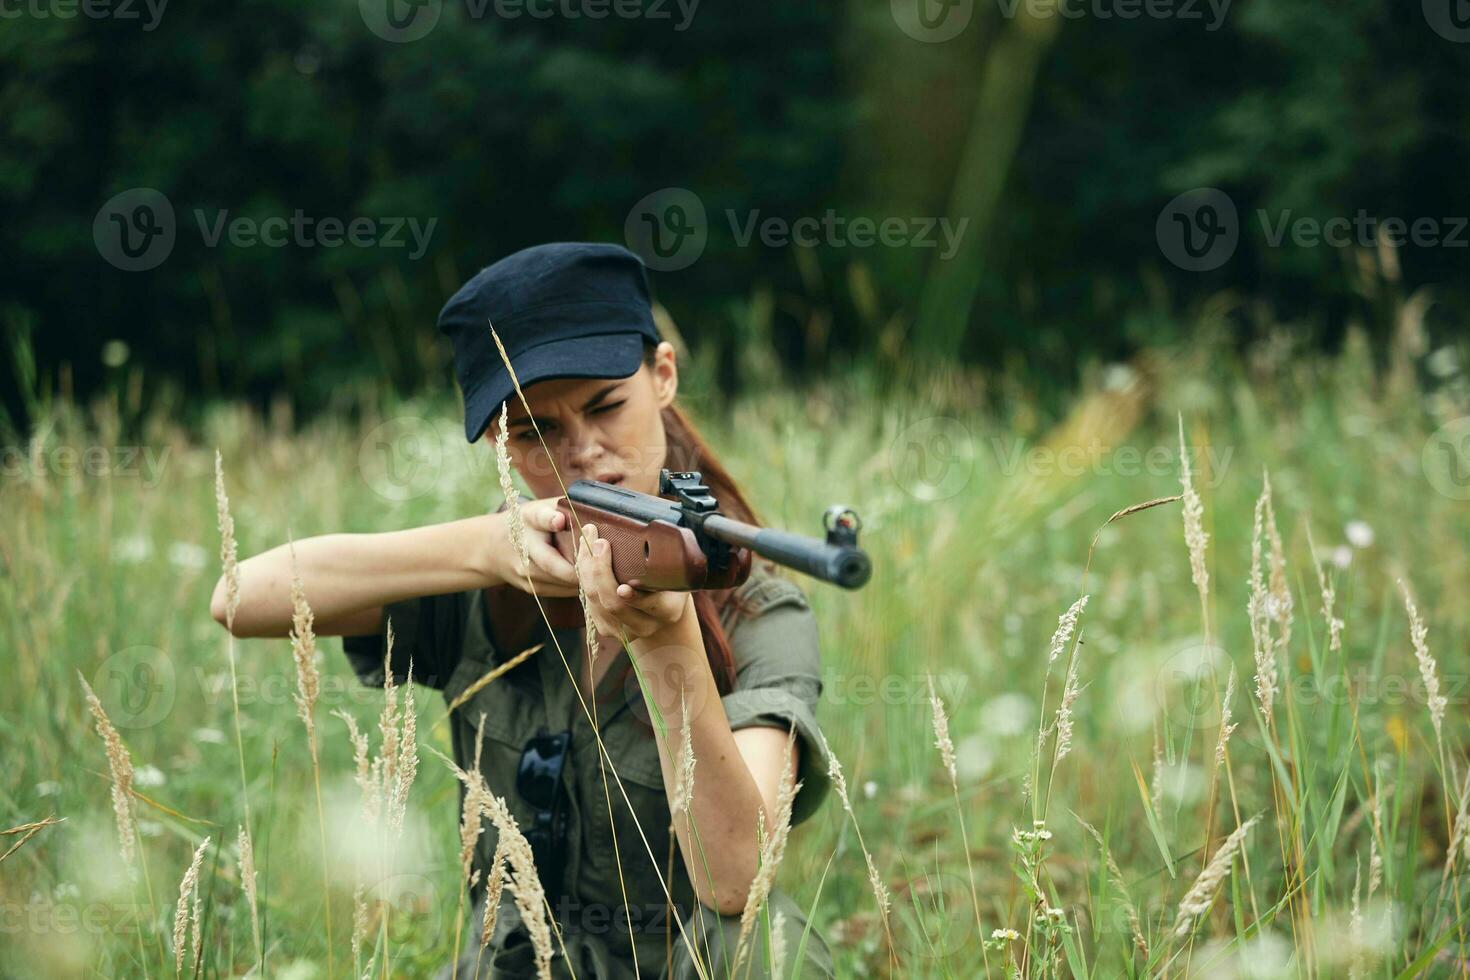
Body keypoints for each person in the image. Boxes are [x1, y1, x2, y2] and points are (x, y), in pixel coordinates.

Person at [211, 242, 836, 979]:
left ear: (662, 376)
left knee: (768, 946)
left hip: (678, 966)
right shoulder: (489, 580)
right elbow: (241, 596)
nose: (586, 453)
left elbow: (735, 882)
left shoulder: (759, 611)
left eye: (607, 406)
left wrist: (669, 645)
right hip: (515, 965)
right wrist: (485, 547)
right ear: (499, 446)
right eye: (534, 432)